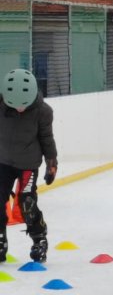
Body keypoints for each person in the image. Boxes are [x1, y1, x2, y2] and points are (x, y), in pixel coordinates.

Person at [0, 69, 58, 263]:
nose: (19, 110)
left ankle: (39, 238)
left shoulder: (43, 111)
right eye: (14, 105)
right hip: (3, 162)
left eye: (23, 106)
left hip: (28, 164)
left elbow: (46, 139)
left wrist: (52, 163)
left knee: (27, 202)